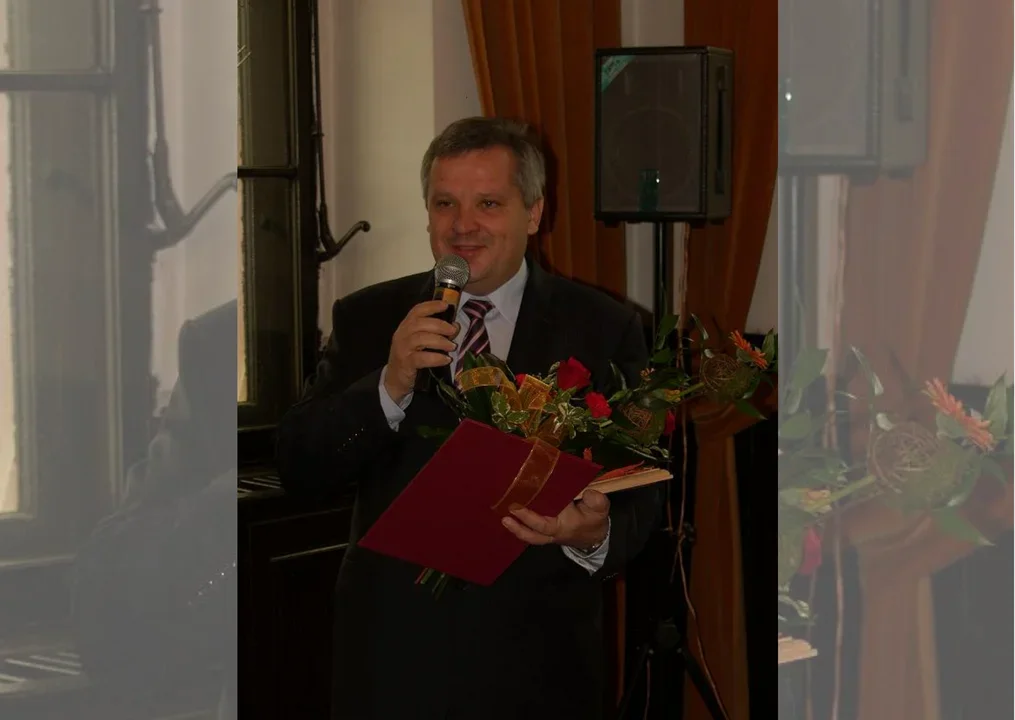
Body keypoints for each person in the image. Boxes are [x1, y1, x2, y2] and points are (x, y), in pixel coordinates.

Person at [277, 117, 661, 720]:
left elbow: (642, 486)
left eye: (489, 203)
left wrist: (592, 533)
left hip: (540, 663)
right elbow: (300, 465)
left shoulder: (602, 328)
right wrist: (389, 383)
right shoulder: (369, 317)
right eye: (445, 204)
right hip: (394, 659)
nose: (463, 225)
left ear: (534, 212)